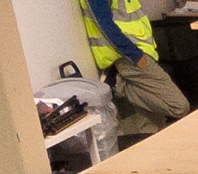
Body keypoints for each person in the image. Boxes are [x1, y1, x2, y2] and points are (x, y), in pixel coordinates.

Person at [80, 0, 190, 143]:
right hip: (129, 58)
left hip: (138, 53)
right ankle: (119, 86)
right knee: (179, 106)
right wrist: (134, 54)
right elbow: (104, 24)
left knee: (152, 124)